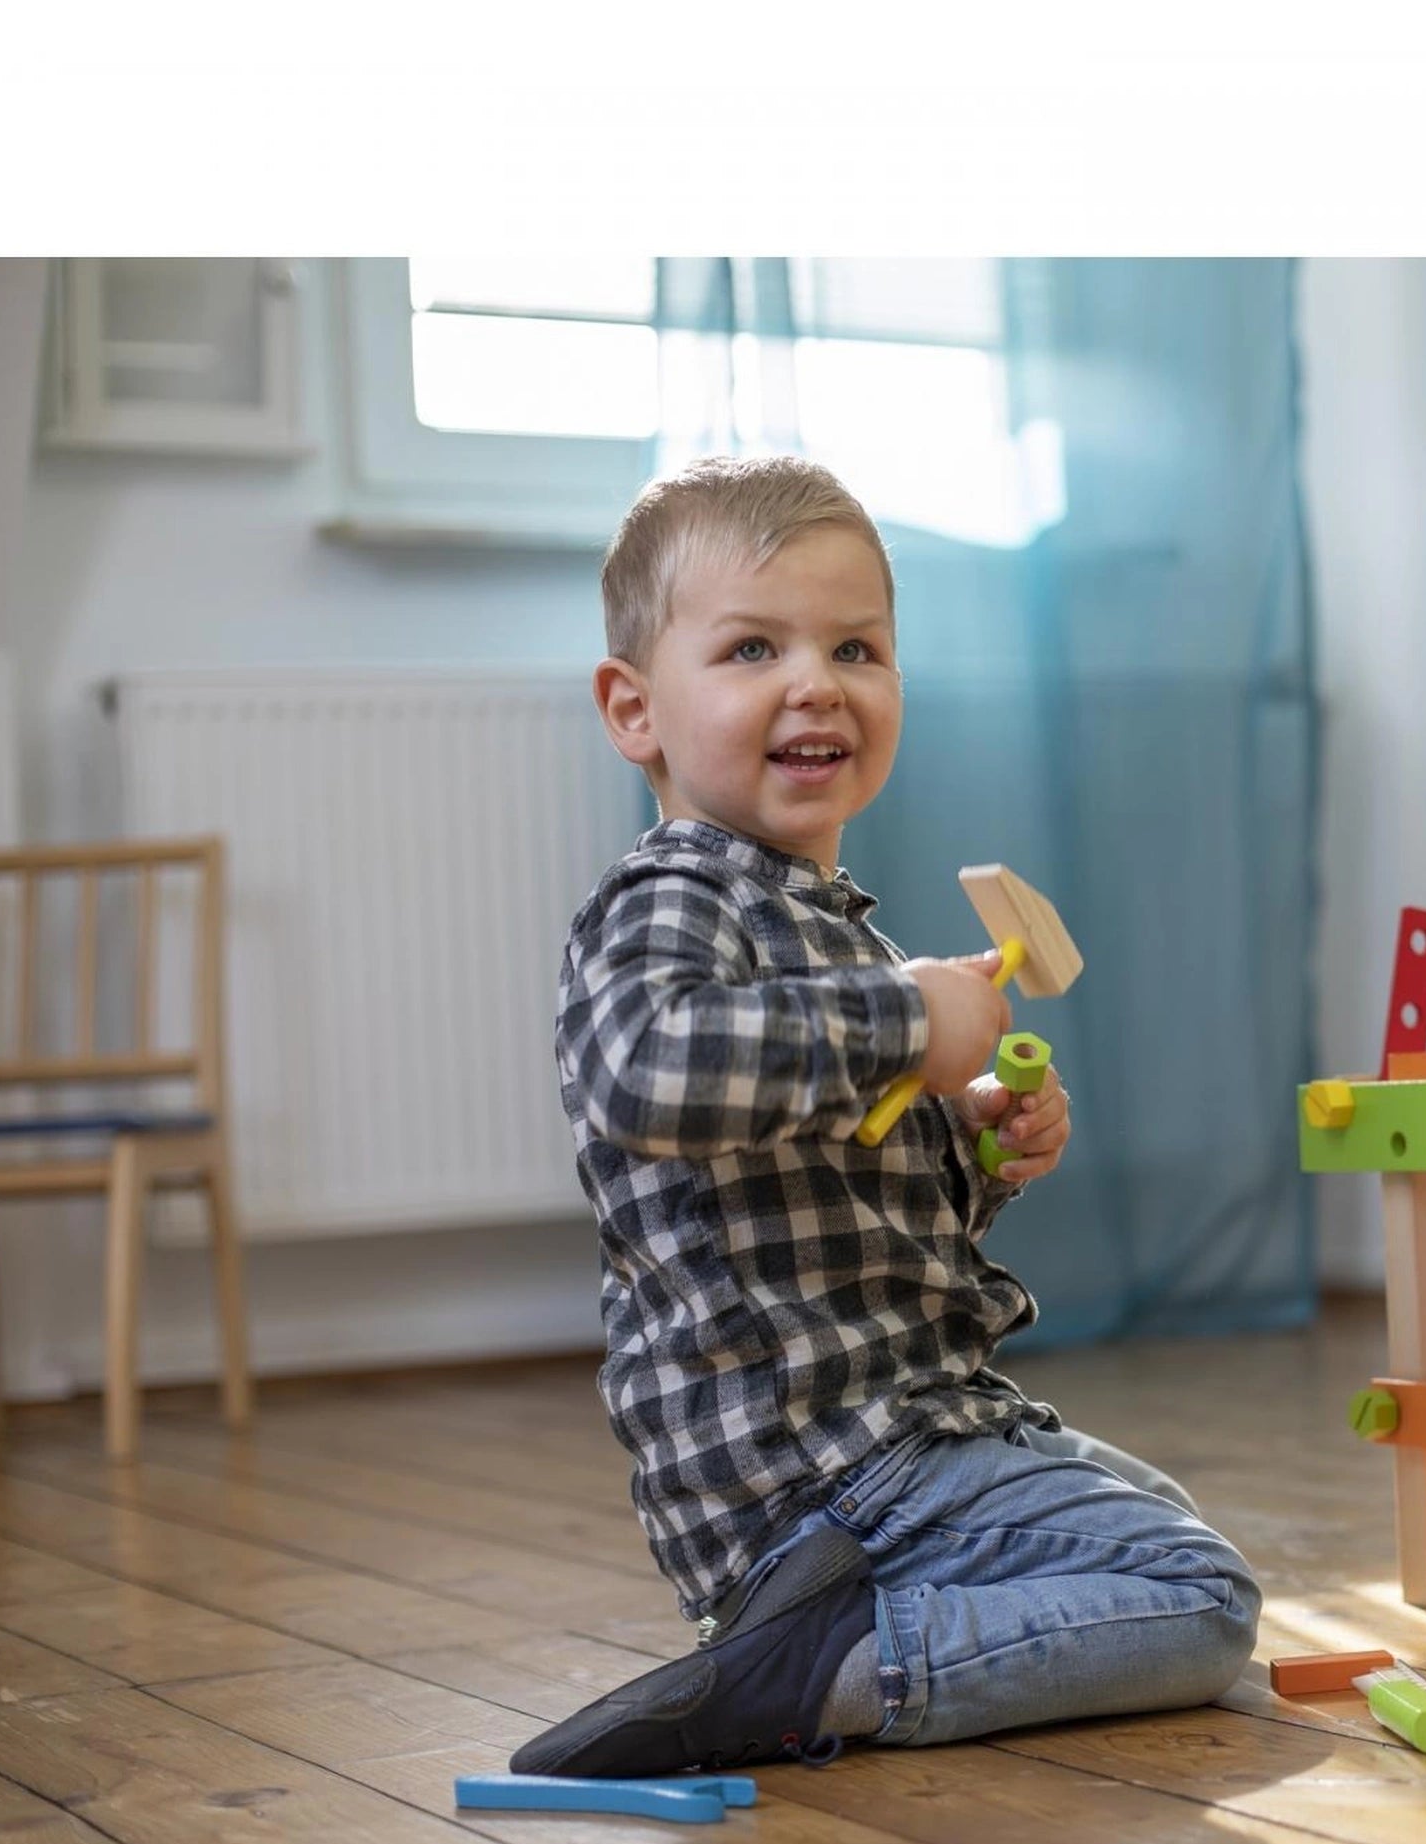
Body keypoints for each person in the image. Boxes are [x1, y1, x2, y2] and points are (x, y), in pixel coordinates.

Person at [513, 453, 1260, 1777]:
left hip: (895, 1439)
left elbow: (843, 1212)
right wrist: (907, 1022)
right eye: (753, 648)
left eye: (855, 647)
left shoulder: (835, 930)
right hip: (819, 1470)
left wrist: (971, 1143)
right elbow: (643, 1071)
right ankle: (832, 1669)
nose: (817, 682)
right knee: (1200, 1599)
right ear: (635, 710)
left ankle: (830, 1640)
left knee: (1158, 1522)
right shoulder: (673, 894)